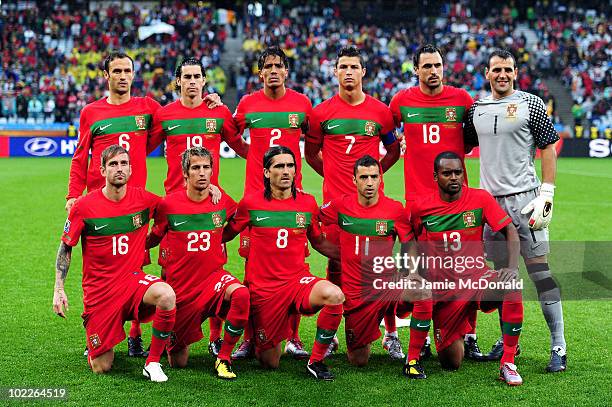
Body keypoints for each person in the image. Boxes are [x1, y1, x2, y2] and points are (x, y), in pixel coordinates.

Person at [463, 49, 566, 372]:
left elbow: (548, 146)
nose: (502, 74)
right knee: (504, 277)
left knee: (540, 273)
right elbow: (462, 144)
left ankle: (558, 345)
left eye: (508, 69)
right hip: (490, 207)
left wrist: (547, 191)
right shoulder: (476, 108)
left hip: (525, 201)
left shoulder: (530, 104)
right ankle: (511, 341)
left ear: (516, 72)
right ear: (487, 72)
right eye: (497, 70)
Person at [304, 46, 402, 359]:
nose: (348, 72)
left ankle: (391, 333)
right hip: (336, 204)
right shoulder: (321, 114)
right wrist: (333, 178)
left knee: (380, 265)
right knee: (336, 261)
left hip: (373, 204)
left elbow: (393, 151)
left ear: (363, 72)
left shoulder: (380, 112)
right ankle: (332, 331)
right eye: (343, 66)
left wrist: (374, 176)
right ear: (335, 72)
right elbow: (310, 154)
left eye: (354, 67)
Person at [147, 57, 248, 357]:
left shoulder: (218, 112)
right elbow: (141, 148)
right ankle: (163, 331)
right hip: (174, 208)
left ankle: (216, 337)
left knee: (213, 265)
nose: (192, 81)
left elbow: (240, 145)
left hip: (209, 204)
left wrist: (270, 164)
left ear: (205, 81)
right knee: (171, 271)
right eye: (186, 76)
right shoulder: (165, 115)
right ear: (178, 81)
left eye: (197, 76)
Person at [52, 145, 176, 382]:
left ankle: (153, 362)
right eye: (113, 164)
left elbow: (174, 210)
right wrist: (58, 288)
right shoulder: (83, 206)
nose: (119, 169)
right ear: (102, 170)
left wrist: (151, 240)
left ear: (130, 169)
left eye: (124, 164)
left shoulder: (145, 200)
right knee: (102, 366)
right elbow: (66, 246)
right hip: (100, 291)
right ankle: (95, 336)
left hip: (132, 280)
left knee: (166, 295)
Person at [389, 44, 481, 359]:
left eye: (437, 65)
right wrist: (396, 143)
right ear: (416, 69)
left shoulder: (462, 100)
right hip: (418, 202)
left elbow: (471, 140)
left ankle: (470, 336)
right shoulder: (401, 102)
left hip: (458, 201)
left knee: (466, 268)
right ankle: (423, 338)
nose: (433, 71)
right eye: (427, 65)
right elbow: (385, 130)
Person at [222, 146, 345, 381]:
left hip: (298, 281)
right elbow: (226, 234)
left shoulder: (307, 203)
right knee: (269, 362)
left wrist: (352, 258)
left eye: (290, 166)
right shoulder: (250, 203)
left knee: (334, 295)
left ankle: (316, 360)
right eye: (279, 166)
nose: (286, 171)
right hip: (264, 289)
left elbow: (319, 242)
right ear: (267, 172)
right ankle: (259, 339)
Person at [409, 151, 524, 385]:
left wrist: (512, 267)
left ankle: (508, 362)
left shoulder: (480, 199)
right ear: (435, 176)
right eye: (447, 173)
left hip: (477, 278)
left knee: (512, 285)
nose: (454, 178)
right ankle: (445, 334)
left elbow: (509, 230)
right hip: (444, 291)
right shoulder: (421, 207)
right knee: (451, 363)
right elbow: (411, 241)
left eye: (458, 172)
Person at [232, 46, 312, 360]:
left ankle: (293, 337)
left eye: (279, 65)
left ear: (286, 71)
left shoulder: (302, 103)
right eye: (268, 66)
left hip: (293, 202)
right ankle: (250, 338)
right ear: (260, 72)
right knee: (253, 271)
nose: (274, 70)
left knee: (294, 269)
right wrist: (251, 155)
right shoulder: (248, 104)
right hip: (257, 202)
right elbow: (232, 134)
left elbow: (314, 140)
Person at [318, 155, 432, 375]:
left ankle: (413, 360)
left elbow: (410, 244)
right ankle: (380, 333)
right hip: (357, 295)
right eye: (363, 177)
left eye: (374, 177)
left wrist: (412, 272)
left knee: (422, 291)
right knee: (358, 360)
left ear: (380, 179)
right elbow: (313, 218)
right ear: (354, 180)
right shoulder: (340, 205)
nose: (369, 182)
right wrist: (332, 251)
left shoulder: (395, 210)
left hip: (388, 284)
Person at [147, 147, 249, 380]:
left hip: (213, 278)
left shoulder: (220, 198)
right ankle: (169, 341)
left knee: (241, 294)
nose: (202, 173)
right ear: (185, 174)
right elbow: (153, 238)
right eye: (195, 168)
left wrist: (222, 237)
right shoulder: (169, 205)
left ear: (212, 171)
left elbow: (238, 217)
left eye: (206, 167)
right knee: (178, 362)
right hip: (182, 288)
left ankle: (224, 358)